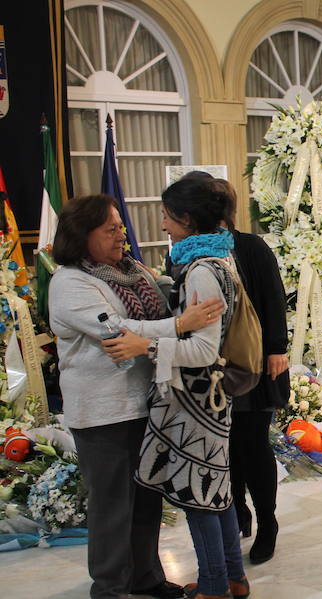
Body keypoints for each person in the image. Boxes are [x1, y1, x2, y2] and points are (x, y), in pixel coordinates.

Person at [49, 194, 223, 599]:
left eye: (120, 228)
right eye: (110, 229)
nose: (120, 235)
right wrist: (181, 325)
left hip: (146, 402)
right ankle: (110, 589)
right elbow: (116, 330)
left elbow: (144, 325)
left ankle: (146, 579)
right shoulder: (70, 281)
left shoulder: (131, 271)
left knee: (146, 503)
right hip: (103, 413)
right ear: (82, 234)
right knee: (112, 508)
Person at [104, 177, 252, 597]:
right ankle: (232, 577)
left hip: (197, 399)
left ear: (187, 219)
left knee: (196, 494)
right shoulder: (218, 257)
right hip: (209, 396)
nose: (164, 226)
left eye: (167, 217)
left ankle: (213, 587)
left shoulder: (203, 270)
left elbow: (203, 350)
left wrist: (145, 345)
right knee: (215, 489)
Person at [213, 178, 289, 565]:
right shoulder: (190, 251)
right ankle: (236, 508)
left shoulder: (251, 247)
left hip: (256, 363)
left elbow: (274, 298)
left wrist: (277, 348)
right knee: (226, 447)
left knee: (252, 444)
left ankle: (267, 520)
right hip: (213, 368)